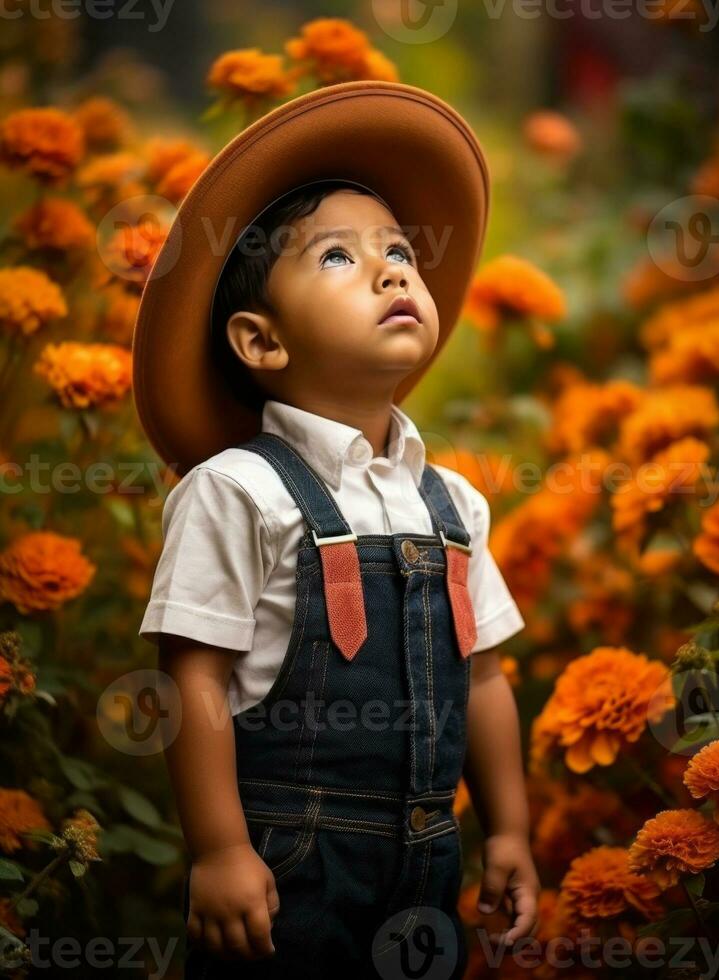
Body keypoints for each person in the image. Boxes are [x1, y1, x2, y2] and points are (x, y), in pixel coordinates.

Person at [133, 80, 541, 979]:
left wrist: (507, 825)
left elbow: (484, 675)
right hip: (289, 869)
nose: (394, 269)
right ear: (260, 341)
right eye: (336, 259)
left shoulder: (455, 504)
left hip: (432, 858)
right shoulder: (238, 491)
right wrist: (218, 849)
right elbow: (190, 672)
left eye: (399, 249)